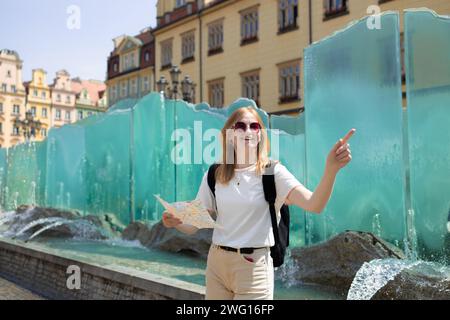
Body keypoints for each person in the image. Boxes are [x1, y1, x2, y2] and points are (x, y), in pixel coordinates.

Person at [162, 106, 355, 300]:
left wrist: (331, 169)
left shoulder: (273, 172)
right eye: (241, 126)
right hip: (216, 265)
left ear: (260, 135)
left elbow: (315, 204)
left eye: (254, 126)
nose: (248, 131)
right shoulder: (215, 174)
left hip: (253, 267)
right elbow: (194, 224)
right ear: (229, 135)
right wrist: (176, 221)